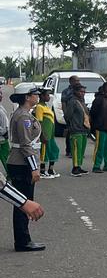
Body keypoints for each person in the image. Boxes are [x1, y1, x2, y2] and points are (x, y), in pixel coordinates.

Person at [7, 84, 44, 251]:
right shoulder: (23, 118)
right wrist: (34, 168)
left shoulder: (25, 115)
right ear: (27, 97)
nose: (37, 96)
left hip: (21, 163)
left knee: (22, 201)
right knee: (22, 202)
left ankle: (23, 239)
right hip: (22, 165)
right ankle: (22, 241)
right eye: (35, 94)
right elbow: (25, 145)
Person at [89, 82, 107, 173]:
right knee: (99, 148)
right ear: (106, 88)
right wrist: (94, 128)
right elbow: (92, 114)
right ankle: (96, 166)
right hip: (100, 128)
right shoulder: (98, 99)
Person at [64, 77, 89, 175]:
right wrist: (71, 126)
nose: (83, 93)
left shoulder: (82, 101)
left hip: (83, 129)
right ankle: (75, 168)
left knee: (81, 150)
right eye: (81, 91)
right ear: (75, 92)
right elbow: (68, 115)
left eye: (84, 92)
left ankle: (79, 166)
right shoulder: (72, 102)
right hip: (76, 129)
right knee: (76, 150)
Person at [34, 89, 59, 178]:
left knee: (54, 150)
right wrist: (42, 135)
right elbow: (39, 122)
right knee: (44, 152)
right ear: (42, 96)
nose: (49, 97)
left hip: (50, 134)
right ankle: (42, 171)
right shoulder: (39, 107)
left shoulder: (46, 106)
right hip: (45, 134)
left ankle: (50, 169)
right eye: (47, 95)